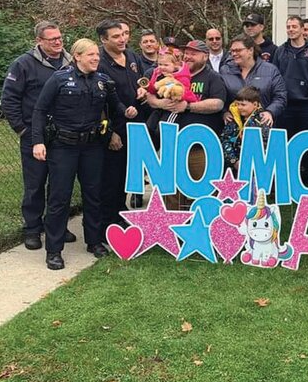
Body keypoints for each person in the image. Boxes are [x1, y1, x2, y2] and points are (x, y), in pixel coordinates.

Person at [31, 38, 137, 269]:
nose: (96, 59)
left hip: (92, 146)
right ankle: (54, 250)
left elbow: (115, 105)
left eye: (97, 56)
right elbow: (40, 110)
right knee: (60, 198)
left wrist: (127, 111)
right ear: (77, 56)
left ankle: (95, 241)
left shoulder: (102, 81)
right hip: (63, 146)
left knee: (94, 194)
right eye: (91, 55)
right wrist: (38, 142)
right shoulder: (59, 79)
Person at [1, 20, 74, 250]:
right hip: (34, 135)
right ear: (39, 41)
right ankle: (32, 229)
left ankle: (56, 226)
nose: (58, 42)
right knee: (35, 184)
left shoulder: (71, 62)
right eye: (52, 39)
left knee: (60, 185)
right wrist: (23, 130)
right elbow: (9, 99)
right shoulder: (23, 65)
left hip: (63, 136)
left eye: (60, 37)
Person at [145, 40, 227, 209]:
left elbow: (218, 104)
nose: (188, 56)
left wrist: (188, 106)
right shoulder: (169, 73)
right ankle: (174, 230)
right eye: (186, 53)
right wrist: (160, 104)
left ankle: (201, 229)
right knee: (171, 193)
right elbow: (150, 95)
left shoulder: (213, 77)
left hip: (199, 147)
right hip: (171, 145)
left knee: (202, 191)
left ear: (205, 57)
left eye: (194, 53)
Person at [96, 19, 143, 230]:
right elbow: (97, 101)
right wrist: (111, 133)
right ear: (103, 40)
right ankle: (107, 221)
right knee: (111, 178)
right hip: (114, 128)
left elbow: (142, 80)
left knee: (126, 174)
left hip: (135, 126)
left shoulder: (132, 56)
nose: (122, 39)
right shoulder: (99, 62)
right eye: (115, 36)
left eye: (123, 34)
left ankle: (119, 214)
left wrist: (145, 89)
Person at [272, 16, 308, 184]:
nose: (291, 30)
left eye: (294, 26)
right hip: (285, 106)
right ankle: (287, 179)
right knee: (286, 144)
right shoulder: (280, 51)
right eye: (288, 27)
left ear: (303, 29)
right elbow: (275, 76)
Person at [219, 33, 287, 127]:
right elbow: (220, 96)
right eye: (232, 51)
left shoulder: (271, 70)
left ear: (250, 50)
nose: (234, 54)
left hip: (262, 125)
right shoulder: (225, 70)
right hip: (234, 128)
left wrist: (270, 112)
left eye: (238, 50)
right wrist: (224, 113)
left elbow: (280, 97)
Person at [221, 86, 270, 174]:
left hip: (256, 168)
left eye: (243, 105)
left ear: (255, 104)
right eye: (237, 104)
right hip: (233, 168)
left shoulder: (263, 120)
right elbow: (225, 140)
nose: (239, 107)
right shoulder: (232, 119)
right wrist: (234, 161)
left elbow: (266, 145)